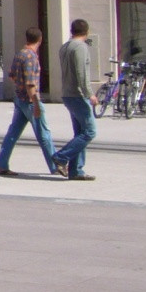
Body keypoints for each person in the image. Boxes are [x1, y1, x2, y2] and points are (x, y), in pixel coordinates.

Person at [0, 28, 56, 176]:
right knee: (44, 134)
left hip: (19, 99)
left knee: (13, 133)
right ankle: (55, 165)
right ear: (40, 40)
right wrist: (36, 102)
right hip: (29, 100)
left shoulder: (20, 54)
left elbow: (12, 75)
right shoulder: (31, 57)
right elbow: (30, 83)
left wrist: (20, 87)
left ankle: (1, 163)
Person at [51, 19, 98, 180]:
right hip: (78, 94)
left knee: (80, 132)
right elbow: (81, 73)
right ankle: (61, 157)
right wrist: (89, 93)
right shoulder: (80, 47)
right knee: (90, 131)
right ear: (87, 31)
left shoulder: (65, 46)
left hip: (67, 93)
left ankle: (76, 170)